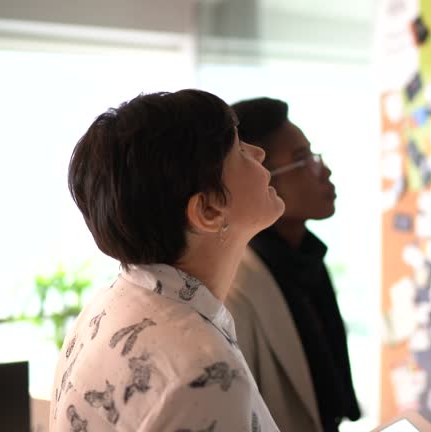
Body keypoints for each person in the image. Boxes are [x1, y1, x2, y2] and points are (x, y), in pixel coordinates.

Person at [50, 89, 284, 431]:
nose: (260, 153)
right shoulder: (203, 373)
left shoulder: (108, 304)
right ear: (207, 210)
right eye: (239, 149)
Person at [225, 97, 360, 432]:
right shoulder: (235, 287)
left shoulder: (306, 255)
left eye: (314, 155)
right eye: (304, 160)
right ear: (262, 180)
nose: (323, 169)